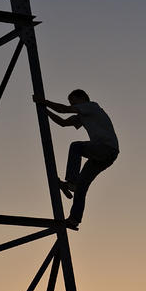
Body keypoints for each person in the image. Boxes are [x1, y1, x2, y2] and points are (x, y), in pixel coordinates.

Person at [33, 89, 119, 230]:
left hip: (105, 148)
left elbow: (63, 110)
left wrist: (44, 102)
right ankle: (74, 220)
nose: (72, 105)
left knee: (76, 147)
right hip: (105, 155)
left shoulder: (91, 106)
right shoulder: (83, 115)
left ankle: (71, 182)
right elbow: (62, 122)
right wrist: (43, 110)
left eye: (73, 101)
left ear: (82, 98)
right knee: (82, 187)